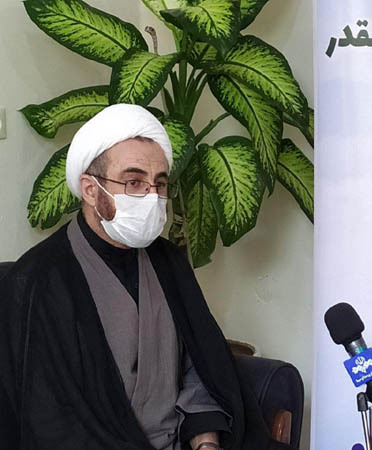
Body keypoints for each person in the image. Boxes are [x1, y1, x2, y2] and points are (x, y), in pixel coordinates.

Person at [0, 104, 290, 450]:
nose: (152, 197)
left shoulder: (168, 261)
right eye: (134, 182)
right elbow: (50, 420)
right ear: (90, 189)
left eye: (160, 184)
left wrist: (206, 442)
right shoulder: (39, 280)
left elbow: (200, 367)